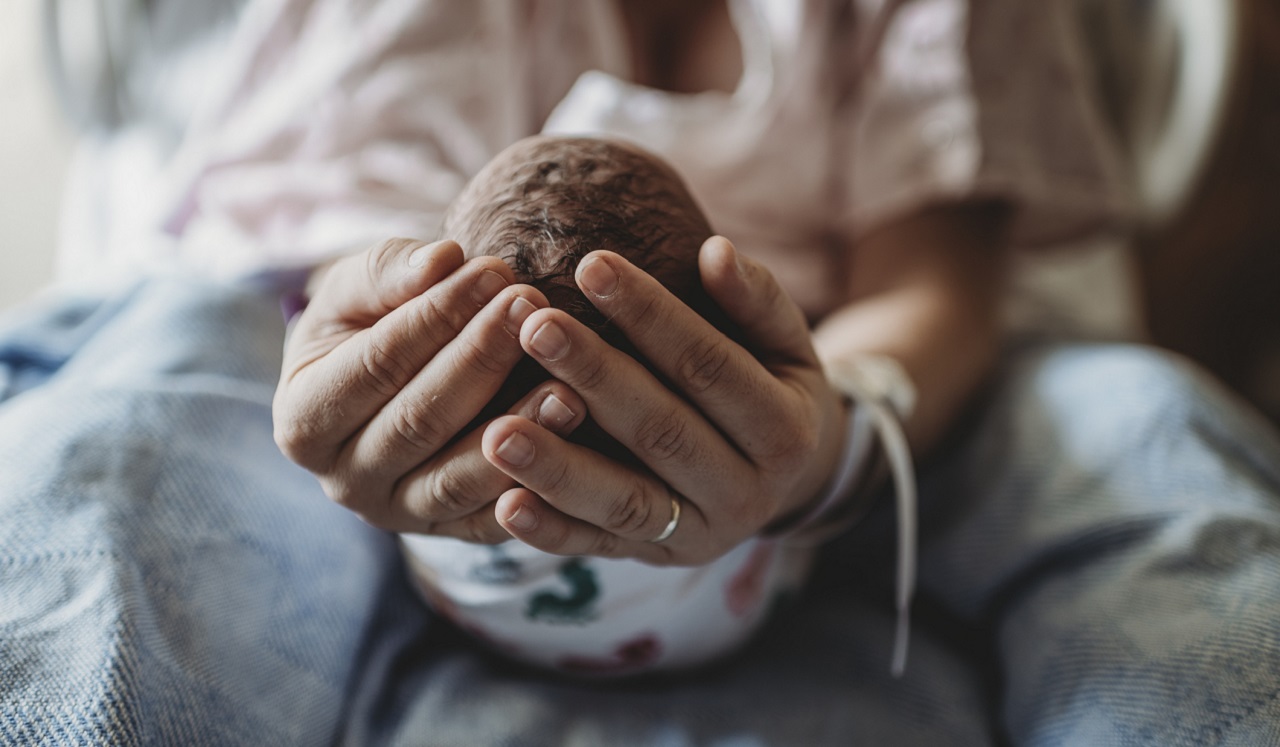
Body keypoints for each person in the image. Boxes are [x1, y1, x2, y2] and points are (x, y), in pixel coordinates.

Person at [5, 0, 1280, 744]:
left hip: (863, 401)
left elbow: (935, 284)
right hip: (393, 456)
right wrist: (375, 360)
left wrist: (829, 434)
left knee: (1138, 418)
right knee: (146, 383)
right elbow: (352, 253)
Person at [392, 133, 874, 675]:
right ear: (719, 327)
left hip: (467, 613)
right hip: (720, 625)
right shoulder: (734, 458)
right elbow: (841, 440)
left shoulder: (421, 481)